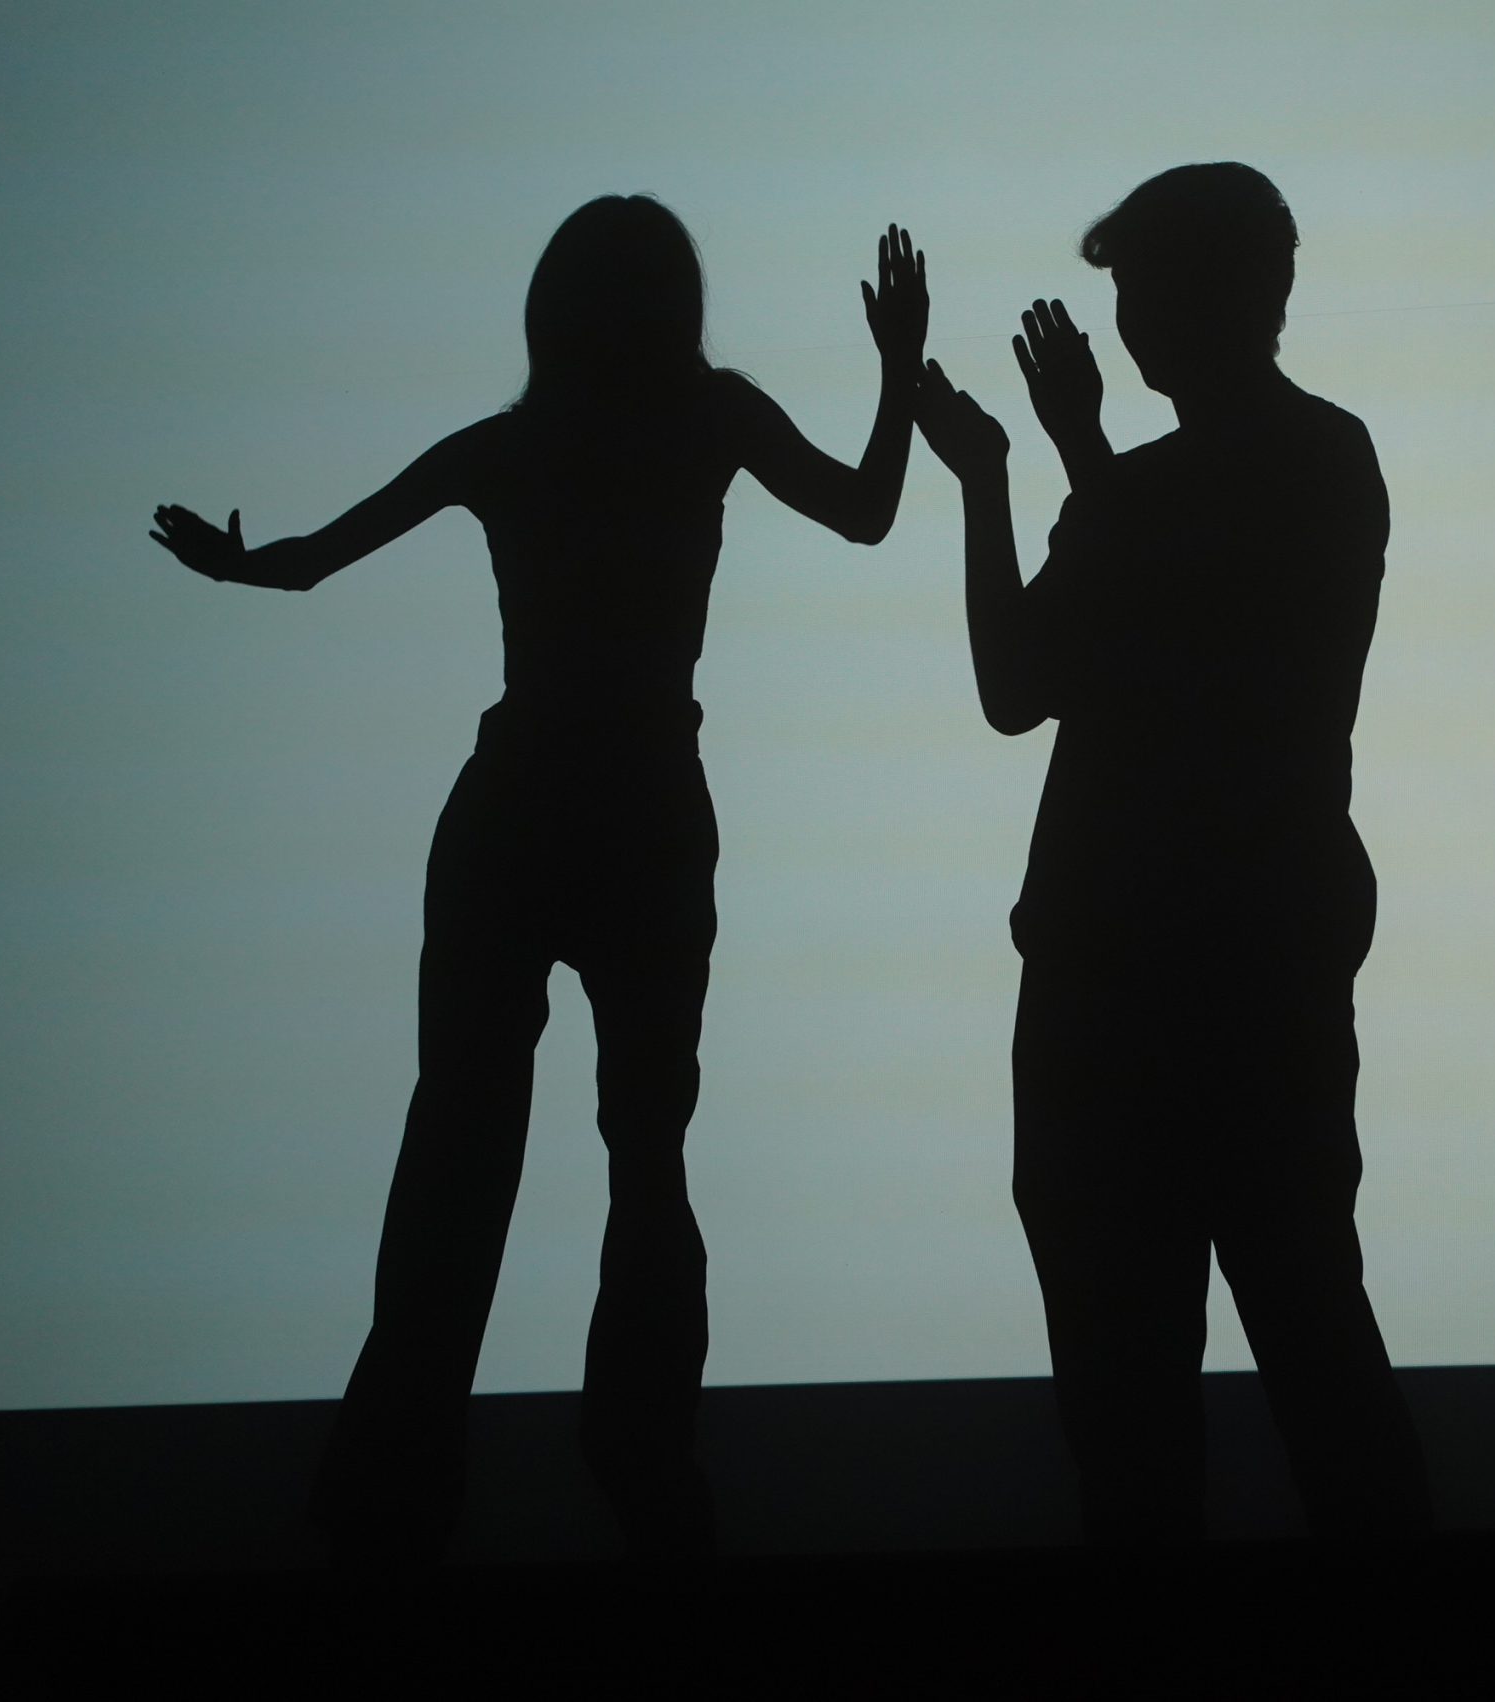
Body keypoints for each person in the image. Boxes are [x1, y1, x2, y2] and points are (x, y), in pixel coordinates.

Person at [148, 196, 929, 1565]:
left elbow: (311, 564)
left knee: (463, 1136)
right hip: (645, 805)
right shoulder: (710, 418)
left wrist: (238, 564)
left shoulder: (512, 447)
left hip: (518, 805)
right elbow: (866, 514)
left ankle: (397, 1475)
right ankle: (639, 1459)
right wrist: (900, 370)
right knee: (642, 1142)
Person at [913, 163, 1431, 1544]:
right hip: (1198, 962)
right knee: (1246, 1336)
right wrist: (1037, 469)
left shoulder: (1271, 468)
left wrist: (1028, 470)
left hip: (1162, 971)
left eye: (1140, 290)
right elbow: (1068, 663)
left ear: (1210, 296)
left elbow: (1079, 666)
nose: (1126, 322)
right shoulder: (1297, 464)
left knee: (1204, 1351)